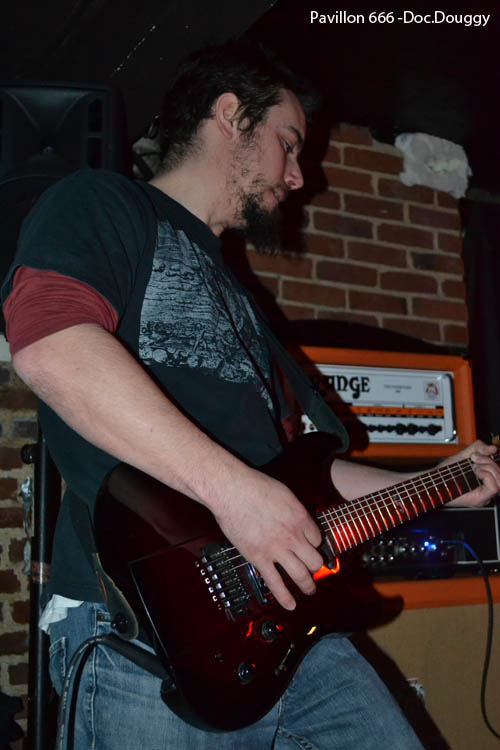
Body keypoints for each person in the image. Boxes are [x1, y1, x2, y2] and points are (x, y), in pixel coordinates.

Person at [2, 41, 500, 750]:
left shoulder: (243, 299)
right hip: (149, 635)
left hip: (294, 629)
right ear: (231, 115)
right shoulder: (103, 202)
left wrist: (443, 484)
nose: (298, 175)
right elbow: (51, 343)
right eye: (288, 144)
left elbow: (308, 479)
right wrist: (236, 495)